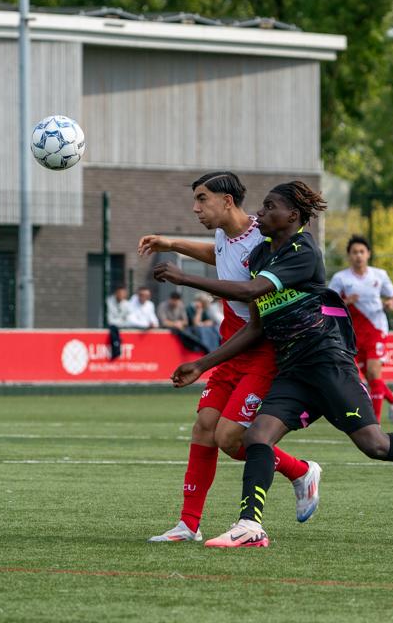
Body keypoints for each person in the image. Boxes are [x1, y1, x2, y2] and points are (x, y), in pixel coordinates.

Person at [154, 182, 393, 548]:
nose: (262, 214)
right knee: (257, 436)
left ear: (293, 216)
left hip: (328, 363)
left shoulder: (304, 252)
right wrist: (203, 364)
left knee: (375, 445)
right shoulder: (258, 257)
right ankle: (250, 526)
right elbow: (255, 327)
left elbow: (252, 292)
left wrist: (185, 277)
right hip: (291, 370)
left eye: (270, 208)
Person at [138, 171, 320, 543]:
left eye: (202, 199)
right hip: (231, 346)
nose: (195, 208)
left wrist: (183, 275)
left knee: (230, 437)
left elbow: (248, 283)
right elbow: (219, 255)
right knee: (204, 426)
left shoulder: (263, 237)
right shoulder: (224, 234)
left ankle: (300, 471)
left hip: (263, 349)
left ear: (226, 201)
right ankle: (188, 525)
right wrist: (170, 243)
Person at [328, 235, 393, 424]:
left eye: (362, 252)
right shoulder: (340, 279)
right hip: (352, 335)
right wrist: (347, 302)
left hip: (376, 329)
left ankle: (373, 423)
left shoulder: (380, 275)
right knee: (370, 377)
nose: (359, 256)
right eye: (355, 252)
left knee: (374, 371)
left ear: (368, 254)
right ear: (349, 256)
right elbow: (327, 307)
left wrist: (390, 304)